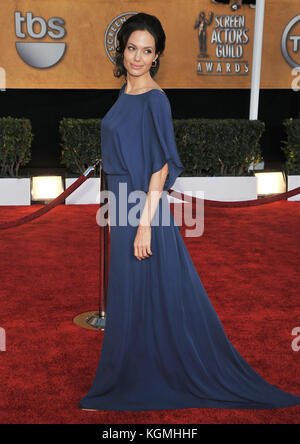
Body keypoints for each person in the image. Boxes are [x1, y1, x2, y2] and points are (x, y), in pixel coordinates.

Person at [78, 12, 300, 411]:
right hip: (124, 205)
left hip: (143, 209)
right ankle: (127, 373)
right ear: (121, 50)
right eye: (132, 48)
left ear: (157, 55)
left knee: (147, 291)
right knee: (132, 294)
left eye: (147, 51)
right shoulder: (126, 94)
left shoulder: (156, 100)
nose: (138, 58)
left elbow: (160, 166)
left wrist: (144, 224)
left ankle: (132, 380)